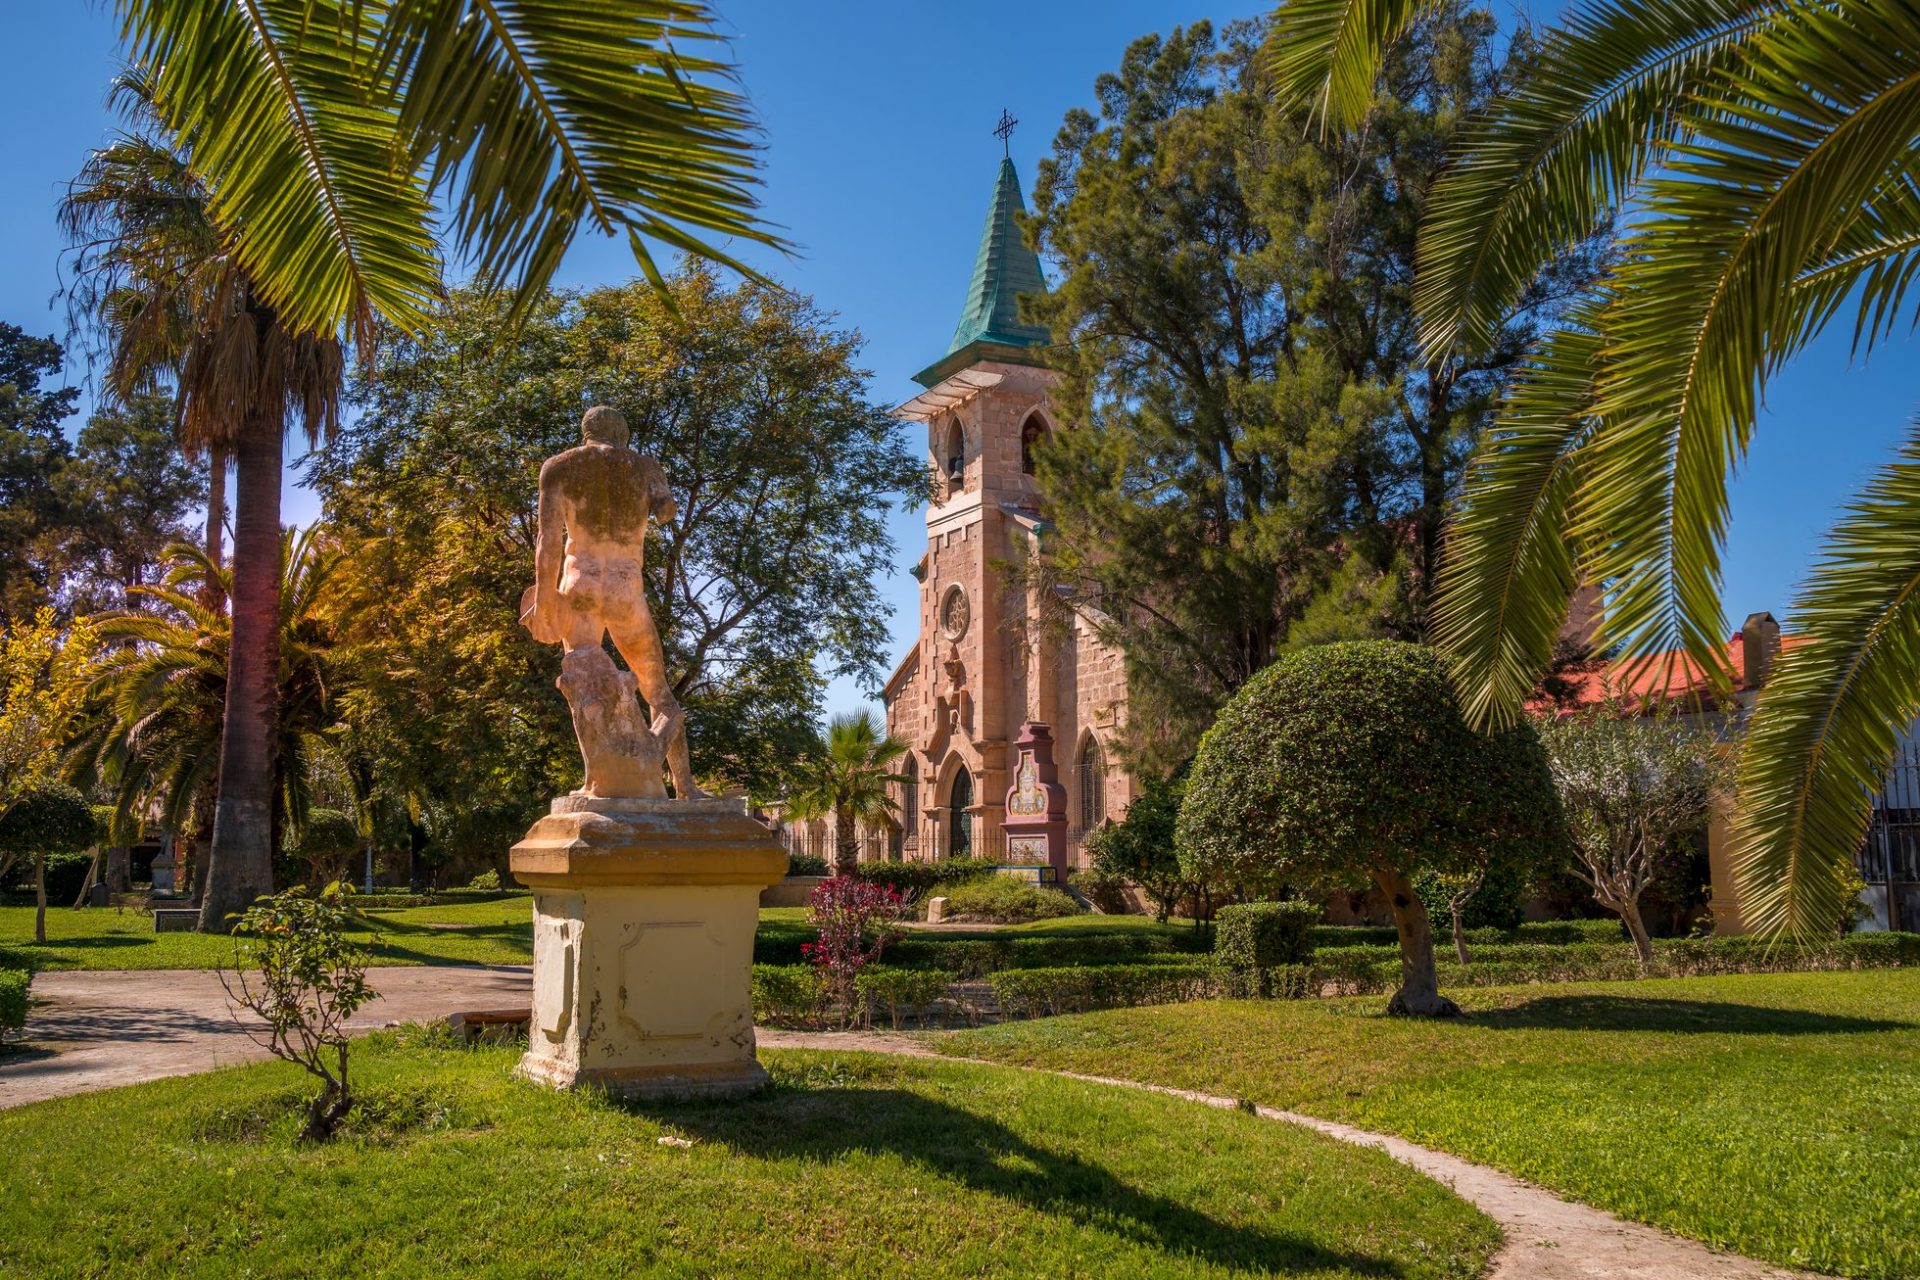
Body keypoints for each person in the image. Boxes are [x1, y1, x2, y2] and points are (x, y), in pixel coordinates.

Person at [523, 405, 699, 798]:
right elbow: (667, 512)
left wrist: (545, 597)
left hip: (579, 584)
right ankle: (684, 787)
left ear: (587, 432)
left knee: (583, 688)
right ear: (623, 433)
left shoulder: (559, 466)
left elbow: (547, 541)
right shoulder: (646, 467)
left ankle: (598, 781)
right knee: (660, 694)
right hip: (624, 586)